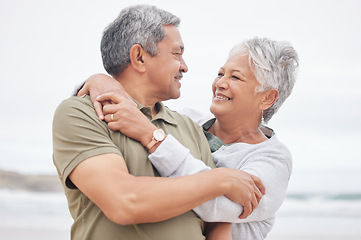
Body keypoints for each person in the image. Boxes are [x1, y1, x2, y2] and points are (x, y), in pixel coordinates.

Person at [52, 5, 265, 240]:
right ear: (139, 57)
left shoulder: (190, 128)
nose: (185, 66)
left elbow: (216, 221)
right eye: (177, 53)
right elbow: (124, 202)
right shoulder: (81, 114)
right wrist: (220, 179)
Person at [79, 37, 299, 239]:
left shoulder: (273, 160)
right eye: (221, 73)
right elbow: (134, 115)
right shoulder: (187, 121)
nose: (220, 83)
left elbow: (215, 207)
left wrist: (152, 137)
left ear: (267, 98)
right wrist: (100, 81)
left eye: (236, 77)